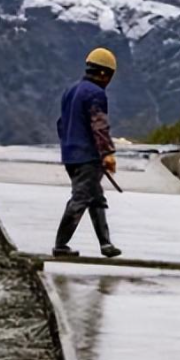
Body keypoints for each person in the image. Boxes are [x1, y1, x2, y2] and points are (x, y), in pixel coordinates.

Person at [54, 47, 122, 259]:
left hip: (70, 155)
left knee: (95, 198)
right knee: (81, 199)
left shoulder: (70, 90)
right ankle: (60, 245)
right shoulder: (96, 94)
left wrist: (68, 146)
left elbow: (61, 124)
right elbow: (99, 126)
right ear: (104, 73)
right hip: (87, 157)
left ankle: (106, 244)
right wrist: (107, 153)